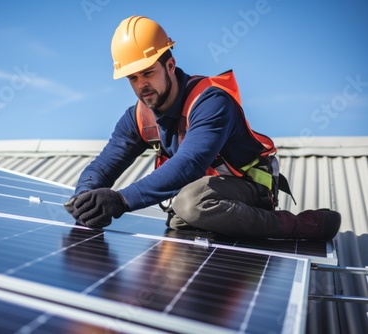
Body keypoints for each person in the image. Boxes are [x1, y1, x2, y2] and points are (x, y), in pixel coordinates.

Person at [64, 15, 341, 240]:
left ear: (170, 65)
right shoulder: (138, 117)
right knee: (182, 217)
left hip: (250, 188)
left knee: (190, 204)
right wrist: (84, 196)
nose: (141, 85)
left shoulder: (210, 101)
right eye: (132, 78)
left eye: (148, 72)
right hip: (206, 194)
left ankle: (298, 226)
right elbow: (104, 165)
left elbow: (190, 163)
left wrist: (121, 201)